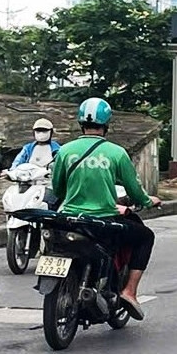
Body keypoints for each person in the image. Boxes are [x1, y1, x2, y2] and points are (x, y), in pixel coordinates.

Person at [52, 98, 161, 320]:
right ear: (106, 123)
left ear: (81, 122)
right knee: (145, 236)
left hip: (69, 220)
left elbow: (57, 188)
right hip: (103, 222)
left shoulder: (65, 151)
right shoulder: (116, 152)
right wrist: (149, 201)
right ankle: (129, 291)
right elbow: (135, 189)